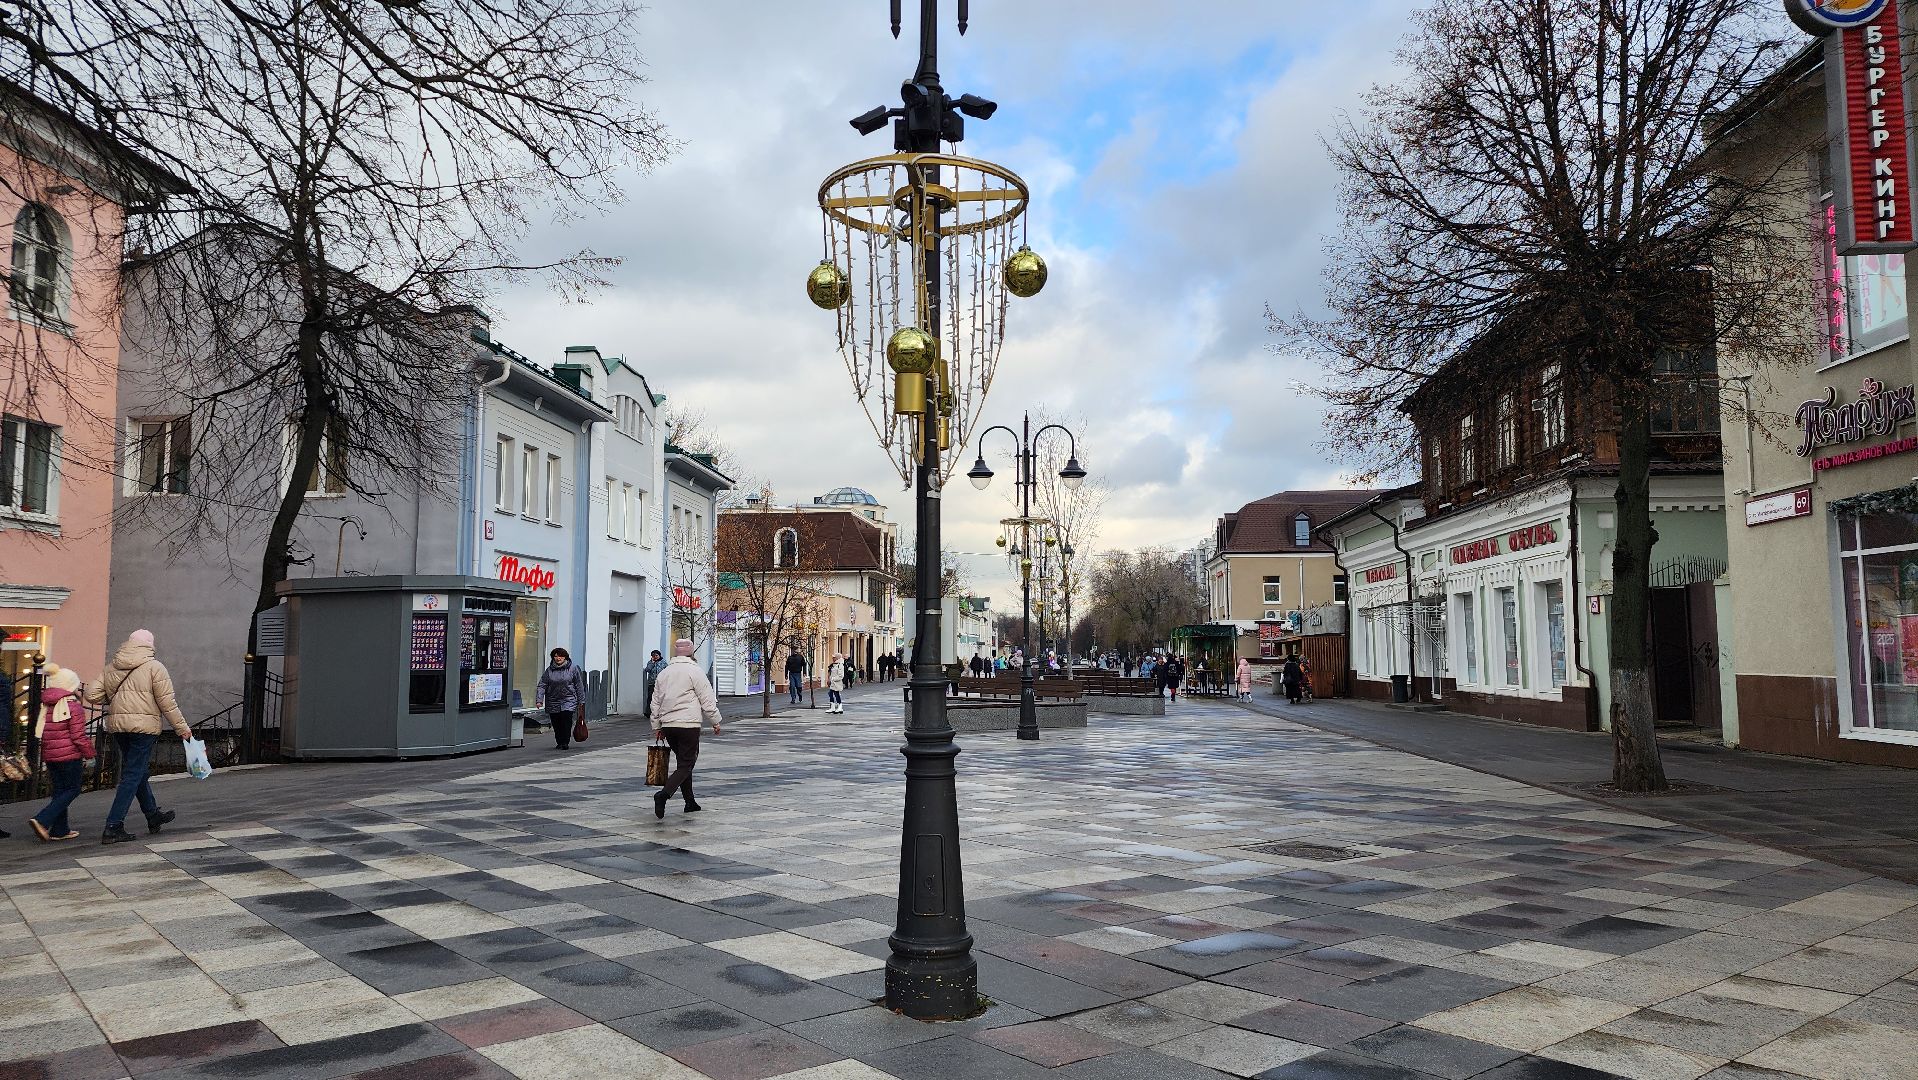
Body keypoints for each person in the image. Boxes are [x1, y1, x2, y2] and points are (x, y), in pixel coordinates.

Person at [88, 629, 192, 844]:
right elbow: (167, 703)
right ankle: (113, 826)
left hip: (118, 727)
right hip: (143, 729)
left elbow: (92, 694)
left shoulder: (112, 667)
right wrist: (182, 728)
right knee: (132, 775)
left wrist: (118, 700)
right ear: (150, 645)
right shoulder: (155, 667)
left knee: (138, 772)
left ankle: (152, 815)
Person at [650, 639, 722, 819]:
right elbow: (707, 698)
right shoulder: (695, 671)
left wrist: (657, 725)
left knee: (684, 763)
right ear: (691, 654)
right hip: (688, 725)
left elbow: (655, 702)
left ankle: (690, 802)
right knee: (686, 764)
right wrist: (715, 720)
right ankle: (663, 795)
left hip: (669, 726)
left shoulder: (664, 673)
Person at [29, 663, 92, 842]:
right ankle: (42, 820)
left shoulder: (47, 705)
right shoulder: (73, 707)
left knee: (60, 791)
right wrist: (89, 752)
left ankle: (60, 829)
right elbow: (78, 736)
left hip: (50, 754)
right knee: (72, 789)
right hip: (70, 755)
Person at [536, 647, 588, 750]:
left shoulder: (572, 668)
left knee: (566, 720)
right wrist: (539, 700)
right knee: (556, 722)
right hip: (553, 700)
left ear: (565, 657)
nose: (558, 658)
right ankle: (559, 741)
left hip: (568, 699)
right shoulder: (549, 670)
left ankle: (565, 742)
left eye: (560, 656)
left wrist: (581, 701)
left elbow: (579, 685)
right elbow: (542, 685)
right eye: (555, 656)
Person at [642, 650, 668, 720]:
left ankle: (660, 712)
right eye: (653, 656)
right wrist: (652, 663)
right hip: (652, 683)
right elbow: (647, 670)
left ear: (659, 655)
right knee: (650, 698)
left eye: (656, 655)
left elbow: (667, 671)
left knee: (660, 698)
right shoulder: (650, 662)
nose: (655, 657)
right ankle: (648, 712)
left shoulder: (663, 662)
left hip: (661, 683)